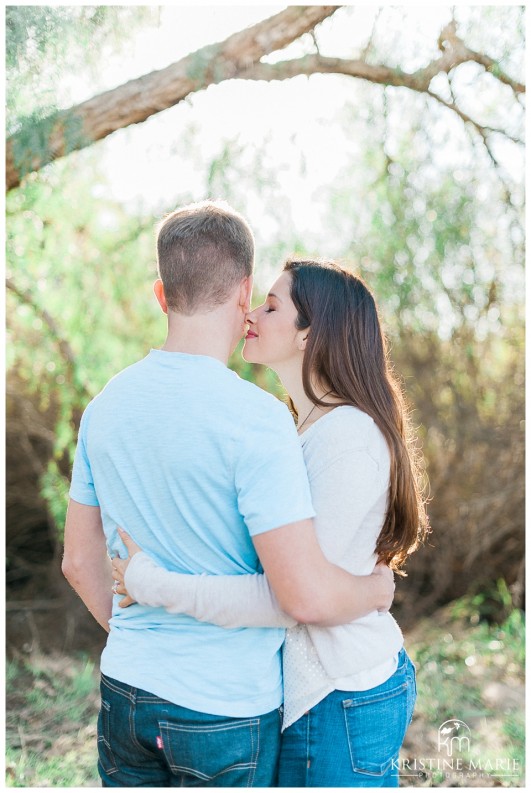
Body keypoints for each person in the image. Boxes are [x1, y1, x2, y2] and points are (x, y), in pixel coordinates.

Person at [62, 201, 395, 788]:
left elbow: (78, 562)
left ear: (161, 295)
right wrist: (374, 589)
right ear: (244, 292)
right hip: (224, 707)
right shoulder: (260, 419)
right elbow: (299, 593)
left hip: (126, 690)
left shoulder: (103, 408)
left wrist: (144, 643)